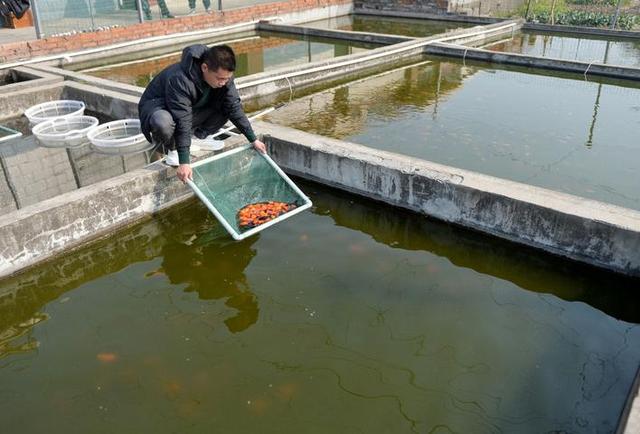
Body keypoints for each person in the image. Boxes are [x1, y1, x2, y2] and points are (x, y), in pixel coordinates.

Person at [138, 44, 266, 182]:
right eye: (220, 78)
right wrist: (184, 161)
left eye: (227, 79)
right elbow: (183, 118)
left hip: (189, 110)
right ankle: (173, 148)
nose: (223, 82)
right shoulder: (180, 79)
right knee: (163, 122)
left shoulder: (224, 77)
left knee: (227, 106)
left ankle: (198, 137)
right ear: (204, 67)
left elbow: (233, 107)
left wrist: (253, 139)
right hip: (160, 109)